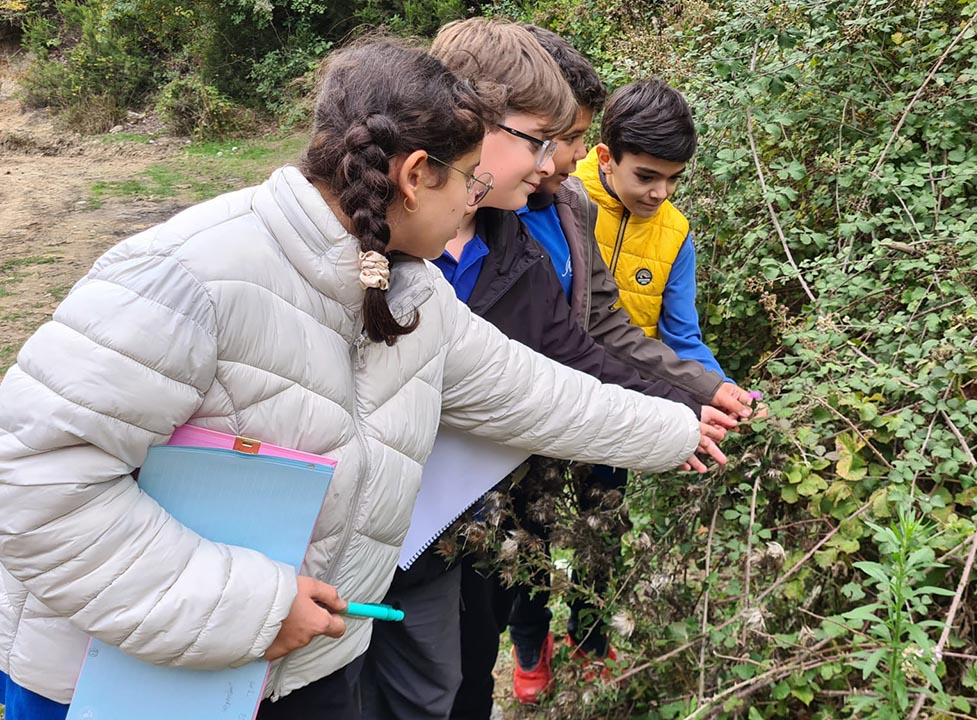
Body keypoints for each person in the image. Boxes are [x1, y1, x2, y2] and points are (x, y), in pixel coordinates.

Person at [0, 36, 720, 720]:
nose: (478, 199)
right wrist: (252, 607)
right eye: (469, 181)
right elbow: (33, 483)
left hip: (302, 666)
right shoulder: (185, 276)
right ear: (415, 177)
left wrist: (678, 430)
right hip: (112, 674)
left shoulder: (411, 292)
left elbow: (533, 393)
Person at [358, 19, 731, 720]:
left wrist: (686, 411)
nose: (553, 162)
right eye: (547, 140)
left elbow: (564, 362)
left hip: (455, 510)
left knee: (447, 675)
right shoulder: (381, 245)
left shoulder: (520, 236)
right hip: (353, 525)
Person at [501, 29, 758, 708]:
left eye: (674, 180)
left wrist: (713, 388)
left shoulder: (670, 232)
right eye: (647, 176)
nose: (659, 193)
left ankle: (591, 647)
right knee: (527, 540)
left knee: (601, 534)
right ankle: (530, 651)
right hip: (537, 408)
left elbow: (673, 335)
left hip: (625, 400)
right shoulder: (548, 195)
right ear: (604, 157)